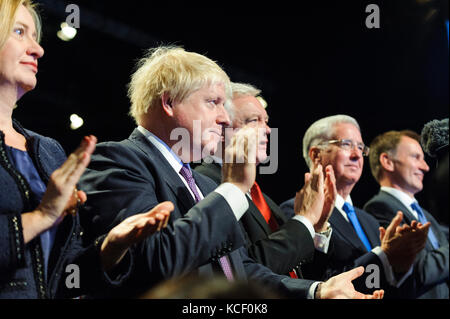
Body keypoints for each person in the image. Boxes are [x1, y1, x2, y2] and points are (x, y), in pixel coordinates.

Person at [78, 46, 383, 299]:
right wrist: (235, 188)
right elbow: (156, 262)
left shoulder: (203, 184)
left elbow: (240, 269)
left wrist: (316, 291)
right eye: (213, 103)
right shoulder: (117, 160)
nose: (225, 119)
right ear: (169, 102)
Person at [0, 0, 171, 298]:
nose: (37, 49)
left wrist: (111, 247)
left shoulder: (48, 150)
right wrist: (42, 216)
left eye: (35, 38)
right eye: (19, 32)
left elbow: (67, 274)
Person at [194, 82, 336, 278]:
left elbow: (294, 270)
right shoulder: (204, 184)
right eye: (254, 120)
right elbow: (245, 269)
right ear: (222, 126)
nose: (268, 130)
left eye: (266, 121)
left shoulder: (264, 200)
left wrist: (316, 227)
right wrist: (305, 219)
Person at [281, 115, 429, 298]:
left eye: (360, 147)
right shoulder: (294, 213)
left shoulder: (369, 221)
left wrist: (400, 265)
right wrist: (384, 256)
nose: (357, 155)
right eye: (346, 144)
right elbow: (315, 281)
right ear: (316, 155)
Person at [363, 129, 449, 298]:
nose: (425, 167)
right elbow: (421, 271)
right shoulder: (379, 208)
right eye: (416, 157)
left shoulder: (424, 215)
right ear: (387, 161)